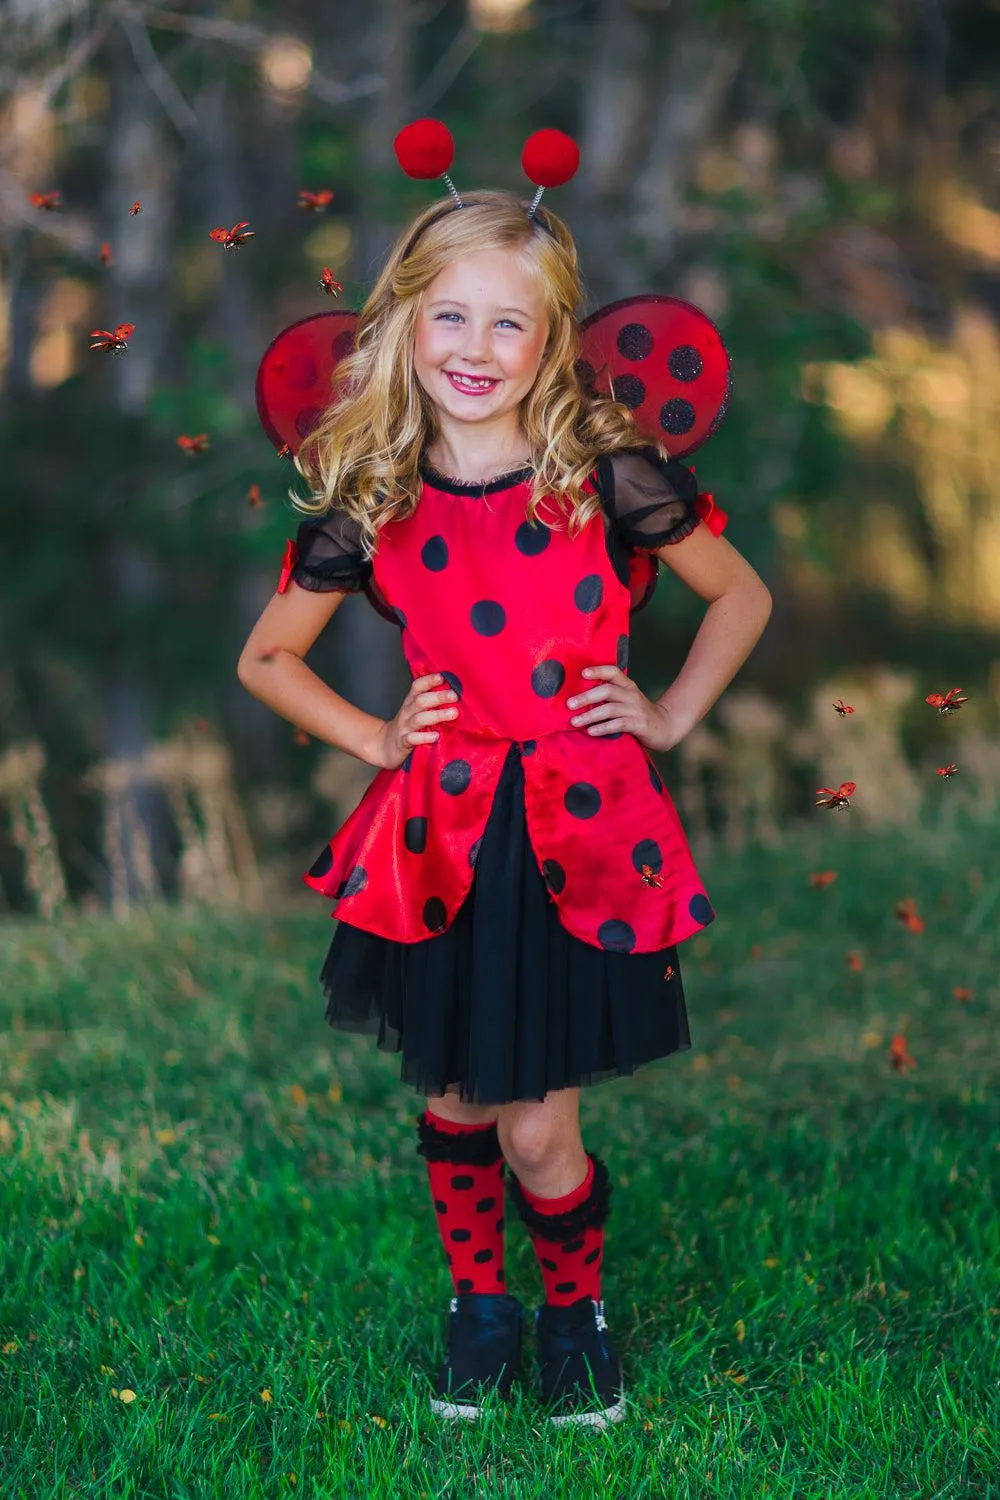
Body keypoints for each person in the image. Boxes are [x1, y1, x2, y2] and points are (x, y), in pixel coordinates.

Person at [237, 180, 772, 1430]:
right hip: (441, 831)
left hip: (577, 832)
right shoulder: (372, 491)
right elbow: (267, 658)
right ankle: (481, 1305)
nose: (475, 351)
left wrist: (670, 713)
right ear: (404, 324)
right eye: (450, 319)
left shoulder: (605, 474)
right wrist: (375, 734)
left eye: (508, 326)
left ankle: (571, 1307)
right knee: (455, 1099)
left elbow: (738, 596)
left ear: (552, 342)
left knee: (538, 1132)